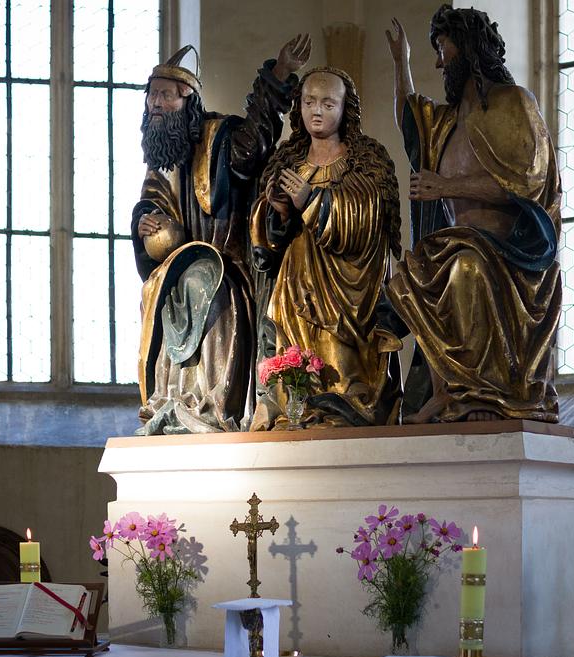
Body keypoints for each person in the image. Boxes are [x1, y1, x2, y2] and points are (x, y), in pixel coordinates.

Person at [384, 5, 562, 423]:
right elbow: (411, 120)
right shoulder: (448, 121)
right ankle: (448, 391)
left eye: (443, 49)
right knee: (408, 277)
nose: (438, 62)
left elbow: (525, 183)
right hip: (456, 243)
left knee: (465, 268)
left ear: (467, 47)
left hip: (508, 251)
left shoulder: (512, 103)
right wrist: (400, 62)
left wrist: (446, 187)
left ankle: (481, 394)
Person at [132, 37, 311, 435]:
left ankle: (208, 405)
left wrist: (279, 73)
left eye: (165, 96)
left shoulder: (219, 138)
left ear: (188, 100)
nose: (155, 104)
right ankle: (170, 401)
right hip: (176, 268)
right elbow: (150, 204)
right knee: (165, 291)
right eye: (152, 96)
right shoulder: (161, 160)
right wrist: (145, 222)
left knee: (202, 283)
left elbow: (253, 145)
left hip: (229, 268)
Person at [249, 67, 402, 429]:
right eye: (309, 102)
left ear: (345, 109)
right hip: (294, 286)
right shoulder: (287, 162)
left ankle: (343, 405)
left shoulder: (365, 160)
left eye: (328, 104)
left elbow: (368, 221)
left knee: (340, 375)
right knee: (293, 364)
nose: (316, 111)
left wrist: (312, 201)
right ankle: (292, 407)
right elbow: (265, 247)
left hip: (345, 291)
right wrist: (278, 213)